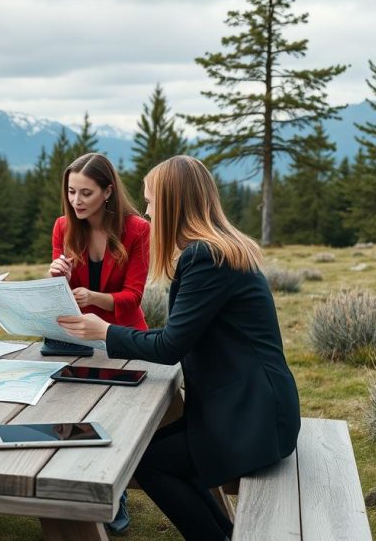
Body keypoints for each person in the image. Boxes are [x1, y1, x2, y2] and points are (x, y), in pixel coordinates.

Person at [58, 155, 301, 541]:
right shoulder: (219, 248)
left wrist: (104, 332)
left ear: (173, 203)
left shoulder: (205, 257)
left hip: (252, 419)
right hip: (251, 406)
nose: (148, 211)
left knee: (150, 463)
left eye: (152, 201)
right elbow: (180, 336)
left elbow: (171, 344)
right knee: (149, 451)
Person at [47, 152, 150, 534]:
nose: (76, 200)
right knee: (72, 409)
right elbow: (62, 294)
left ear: (108, 192)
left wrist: (94, 299)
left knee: (117, 418)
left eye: (86, 192)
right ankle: (75, 484)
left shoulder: (137, 229)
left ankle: (116, 492)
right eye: (72, 191)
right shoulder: (63, 226)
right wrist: (56, 275)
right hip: (75, 336)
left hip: (122, 336)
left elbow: (133, 297)